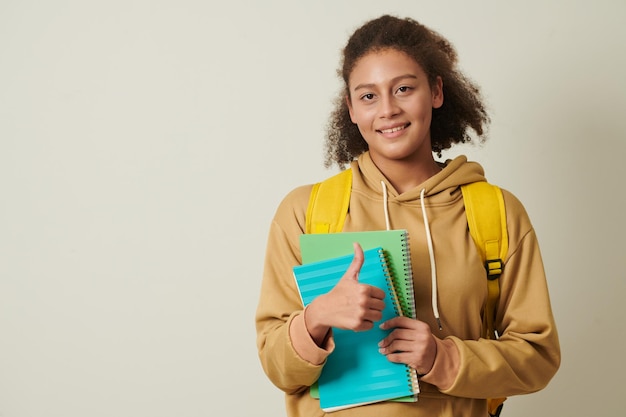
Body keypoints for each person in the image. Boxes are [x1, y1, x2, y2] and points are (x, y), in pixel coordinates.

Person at [255, 14, 560, 417]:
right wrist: (317, 318)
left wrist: (443, 358)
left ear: (435, 91)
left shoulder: (495, 212)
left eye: (403, 88)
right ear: (350, 108)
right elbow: (276, 366)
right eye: (368, 96)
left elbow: (538, 357)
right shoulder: (307, 211)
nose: (388, 110)